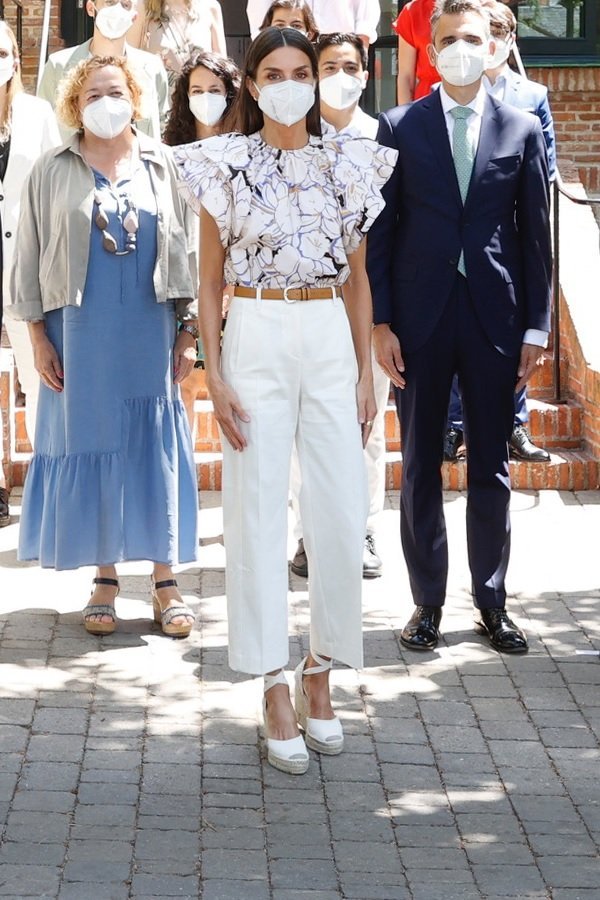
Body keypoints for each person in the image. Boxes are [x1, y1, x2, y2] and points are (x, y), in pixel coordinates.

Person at [175, 26, 396, 773]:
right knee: (256, 510)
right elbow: (209, 281)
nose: (291, 84)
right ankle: (272, 682)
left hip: (330, 330)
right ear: (251, 83)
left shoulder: (351, 162)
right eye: (274, 73)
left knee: (339, 511)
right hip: (256, 329)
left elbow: (360, 280)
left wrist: (364, 372)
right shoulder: (222, 164)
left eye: (302, 71)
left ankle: (321, 673)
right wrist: (214, 372)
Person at [367, 0, 552, 654]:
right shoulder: (398, 126)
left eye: (472, 38)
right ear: (431, 49)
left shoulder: (522, 128)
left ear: (494, 46)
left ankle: (492, 603)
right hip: (418, 321)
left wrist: (536, 327)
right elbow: (381, 234)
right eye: (448, 39)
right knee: (420, 464)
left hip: (496, 320)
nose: (461, 48)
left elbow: (536, 236)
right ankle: (427, 604)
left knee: (491, 467)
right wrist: (381, 322)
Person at [10, 56, 199, 638]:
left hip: (150, 327)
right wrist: (37, 335)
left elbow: (192, 249)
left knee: (152, 443)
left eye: (116, 91)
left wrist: (189, 331)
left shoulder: (165, 164)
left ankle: (165, 580)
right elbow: (27, 255)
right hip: (78, 331)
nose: (106, 101)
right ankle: (105, 578)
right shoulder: (51, 168)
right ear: (74, 103)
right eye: (93, 93)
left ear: (135, 98)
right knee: (92, 440)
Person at [289, 31, 390, 580]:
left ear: (366, 74)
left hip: (368, 307)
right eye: (329, 66)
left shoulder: (385, 135)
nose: (340, 76)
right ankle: (308, 534)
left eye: (350, 66)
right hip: (308, 303)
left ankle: (363, 528)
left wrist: (384, 316)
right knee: (304, 428)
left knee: (365, 421)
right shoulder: (293, 135)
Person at [444, 0, 556, 464]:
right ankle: (454, 425)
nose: (481, 44)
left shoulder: (532, 96)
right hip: (453, 249)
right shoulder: (445, 94)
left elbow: (544, 169)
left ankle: (514, 425)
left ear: (508, 40)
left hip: (505, 245)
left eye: (492, 33)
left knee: (509, 344)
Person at [164, 50, 241, 436]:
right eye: (197, 90)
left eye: (215, 90)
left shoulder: (246, 153)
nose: (206, 98)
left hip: (236, 291)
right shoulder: (168, 157)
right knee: (184, 388)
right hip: (184, 286)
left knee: (237, 390)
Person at [0, 21, 61, 461]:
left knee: (38, 374)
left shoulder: (37, 114)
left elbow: (55, 190)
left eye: (2, 54)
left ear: (15, 60)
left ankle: (46, 475)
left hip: (25, 268)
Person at [38, 0, 169, 142]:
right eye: (110, 2)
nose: (117, 10)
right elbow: (42, 126)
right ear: (90, 8)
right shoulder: (58, 66)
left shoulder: (152, 68)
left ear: (134, 17)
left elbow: (163, 125)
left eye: (125, 5)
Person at [129, 1, 227, 91]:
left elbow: (222, 72)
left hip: (201, 100)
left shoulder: (210, 7)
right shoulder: (141, 7)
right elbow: (128, 64)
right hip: (159, 100)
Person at [247, 0, 381, 48]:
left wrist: (356, 63)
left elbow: (365, 22)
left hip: (340, 51)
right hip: (288, 49)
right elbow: (260, 23)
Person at [394, 0, 438, 104]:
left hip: (470, 93)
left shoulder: (475, 7)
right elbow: (406, 77)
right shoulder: (413, 11)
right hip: (427, 99)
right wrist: (405, 112)